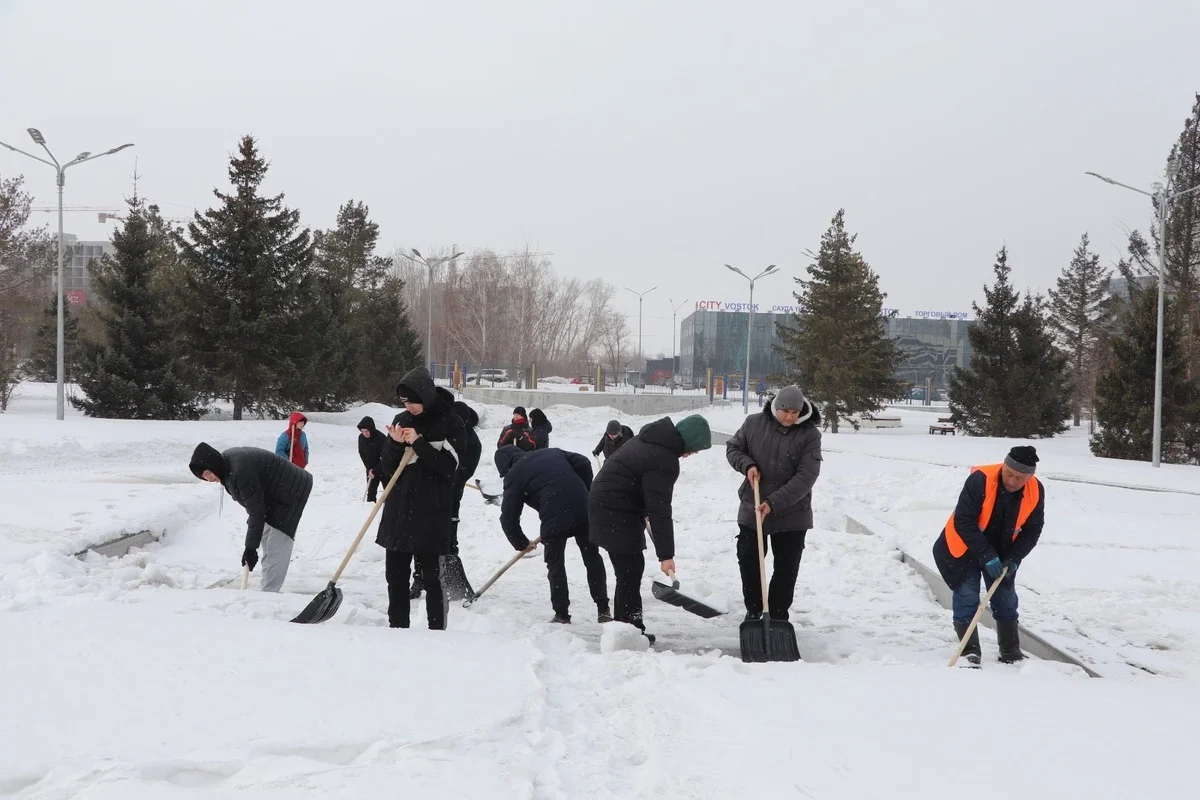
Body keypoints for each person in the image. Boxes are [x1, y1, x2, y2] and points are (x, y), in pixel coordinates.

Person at [588, 414, 712, 643]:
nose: (693, 453)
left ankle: (631, 628)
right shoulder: (663, 458)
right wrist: (666, 555)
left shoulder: (652, 440)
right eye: (695, 448)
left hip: (610, 506)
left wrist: (641, 506)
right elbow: (660, 509)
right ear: (688, 439)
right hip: (613, 511)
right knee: (629, 571)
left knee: (630, 570)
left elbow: (637, 481)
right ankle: (627, 631)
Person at [374, 367, 469, 630]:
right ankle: (397, 627)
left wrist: (418, 443)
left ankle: (437, 631)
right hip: (399, 510)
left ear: (426, 395)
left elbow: (449, 468)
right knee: (395, 575)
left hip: (431, 510)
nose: (409, 407)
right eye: (404, 402)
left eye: (412, 401)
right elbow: (388, 469)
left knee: (432, 578)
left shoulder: (450, 422)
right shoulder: (401, 420)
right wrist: (394, 444)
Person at [931, 446, 1045, 665]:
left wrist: (1015, 558)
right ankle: (969, 651)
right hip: (965, 546)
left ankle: (1010, 651)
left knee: (1006, 598)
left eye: (1020, 478)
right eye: (1009, 473)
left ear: (1030, 477)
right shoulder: (980, 480)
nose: (1012, 481)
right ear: (1004, 466)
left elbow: (1033, 530)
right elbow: (963, 521)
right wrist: (985, 554)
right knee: (967, 596)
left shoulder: (1035, 490)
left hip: (1002, 550)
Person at [725, 385, 822, 622]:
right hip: (752, 506)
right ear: (776, 407)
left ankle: (778, 616)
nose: (790, 417)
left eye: (795, 412)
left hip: (792, 511)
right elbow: (733, 448)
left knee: (786, 567)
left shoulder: (810, 435)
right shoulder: (753, 424)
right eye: (785, 411)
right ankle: (755, 611)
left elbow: (806, 476)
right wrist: (747, 465)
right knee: (750, 561)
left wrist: (774, 502)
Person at [495, 444, 610, 624]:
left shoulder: (514, 475)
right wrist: (585, 491)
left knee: (555, 564)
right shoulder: (552, 452)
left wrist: (521, 543)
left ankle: (562, 614)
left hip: (554, 518)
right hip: (583, 510)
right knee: (592, 557)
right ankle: (603, 608)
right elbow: (583, 462)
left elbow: (508, 518)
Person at [189, 442, 313, 592]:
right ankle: (267, 589)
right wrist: (251, 543)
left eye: (208, 473)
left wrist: (250, 548)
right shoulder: (226, 468)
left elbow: (257, 511)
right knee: (264, 535)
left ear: (213, 464)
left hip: (289, 490)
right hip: (274, 492)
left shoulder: (239, 471)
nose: (209, 479)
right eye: (205, 477)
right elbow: (253, 506)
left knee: (276, 543)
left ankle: (269, 594)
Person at [357, 416, 386, 502]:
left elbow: (385, 457)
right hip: (370, 468)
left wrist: (375, 470)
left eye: (367, 431)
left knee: (389, 492)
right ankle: (369, 508)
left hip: (383, 468)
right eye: (362, 431)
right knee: (371, 493)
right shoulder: (361, 438)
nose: (365, 434)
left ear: (371, 429)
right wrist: (369, 468)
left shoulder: (381, 438)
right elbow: (361, 453)